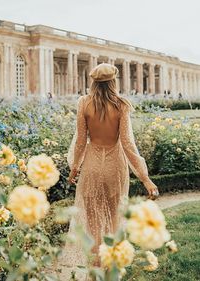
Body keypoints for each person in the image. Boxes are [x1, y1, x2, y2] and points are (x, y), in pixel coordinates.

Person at [58, 63, 159, 280]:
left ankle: (94, 272)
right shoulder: (122, 105)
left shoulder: (84, 103)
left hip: (92, 169)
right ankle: (111, 270)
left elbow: (80, 143)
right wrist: (145, 178)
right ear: (114, 82)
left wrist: (75, 168)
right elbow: (128, 145)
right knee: (114, 222)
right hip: (115, 169)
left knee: (93, 225)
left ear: (93, 82)